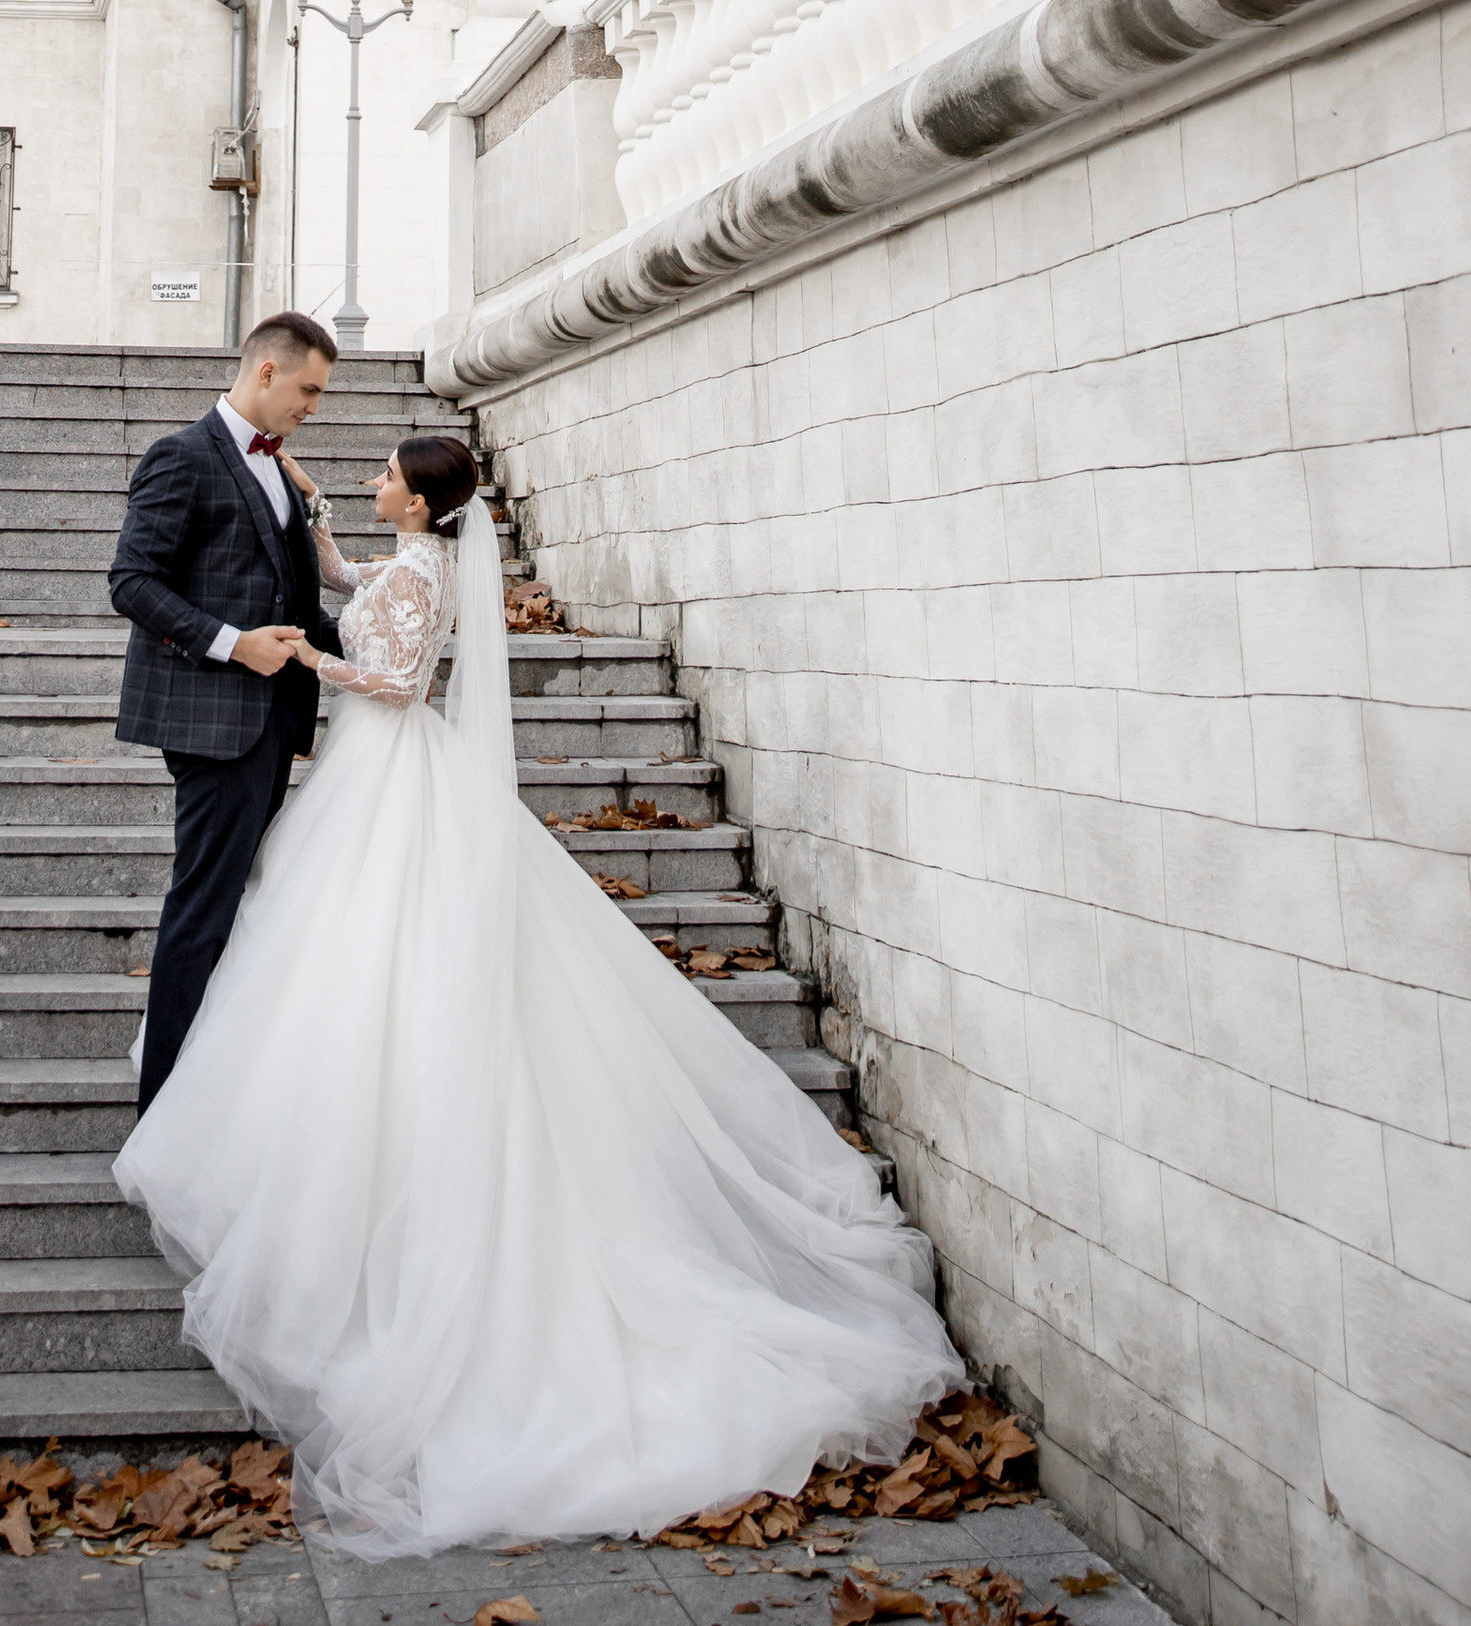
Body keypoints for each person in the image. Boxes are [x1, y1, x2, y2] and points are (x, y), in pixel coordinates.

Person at [115, 438, 965, 1555]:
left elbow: (401, 681)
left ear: (417, 501)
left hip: (390, 770)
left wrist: (304, 664)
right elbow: (345, 581)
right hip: (367, 783)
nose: (371, 480)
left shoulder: (421, 578)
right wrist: (319, 528)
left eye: (381, 475)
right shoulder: (402, 561)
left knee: (376, 961)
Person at [107, 310, 345, 1110]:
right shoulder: (181, 456)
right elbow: (132, 583)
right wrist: (231, 643)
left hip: (274, 722)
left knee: (239, 906)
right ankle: (163, 1110)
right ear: (267, 372)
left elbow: (295, 593)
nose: (315, 406)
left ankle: (215, 1094)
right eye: (309, 389)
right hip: (215, 720)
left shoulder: (281, 468)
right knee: (202, 909)